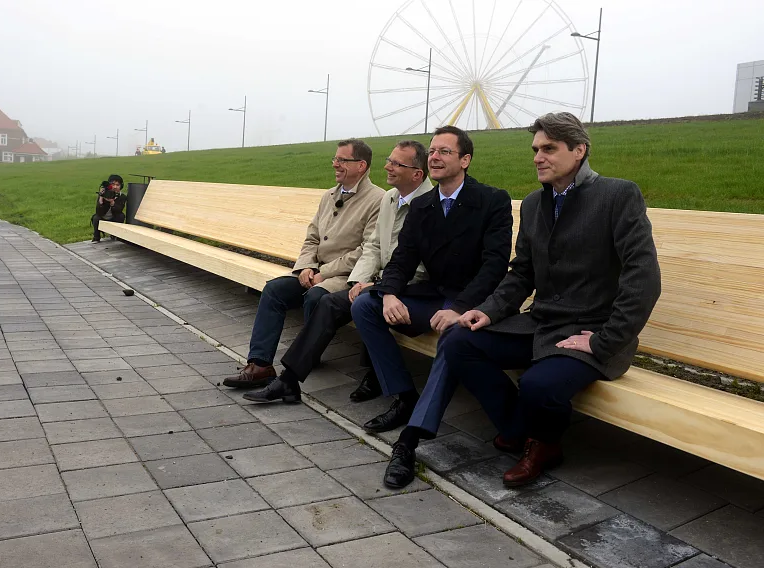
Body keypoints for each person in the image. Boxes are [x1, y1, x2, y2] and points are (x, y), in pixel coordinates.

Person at [427, 112, 661, 489]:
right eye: (536, 149)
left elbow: (643, 278)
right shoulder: (535, 203)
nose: (538, 156)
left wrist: (604, 341)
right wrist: (486, 312)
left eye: (549, 148)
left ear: (579, 150)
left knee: (538, 384)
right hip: (540, 325)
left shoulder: (618, 195)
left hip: (590, 333)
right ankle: (520, 427)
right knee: (457, 342)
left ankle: (544, 444)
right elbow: (522, 273)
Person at [351, 125, 513, 445]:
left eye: (445, 151)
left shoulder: (491, 200)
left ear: (465, 160)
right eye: (433, 151)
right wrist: (389, 293)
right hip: (432, 297)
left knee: (455, 334)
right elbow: (402, 259)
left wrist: (458, 308)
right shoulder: (423, 205)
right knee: (365, 305)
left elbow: (494, 267)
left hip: (469, 301)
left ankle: (414, 434)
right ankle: (403, 395)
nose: (435, 157)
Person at [243, 140, 433, 404]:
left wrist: (373, 284)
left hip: (396, 284)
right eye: (388, 160)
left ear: (416, 174)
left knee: (337, 301)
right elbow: (373, 246)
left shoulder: (416, 203)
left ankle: (373, 378)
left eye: (395, 163)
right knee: (277, 289)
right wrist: (313, 268)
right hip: (360, 277)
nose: (387, 166)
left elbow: (415, 263)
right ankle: (265, 367)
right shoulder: (389, 198)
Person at [223, 139, 385, 389]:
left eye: (342, 160)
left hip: (344, 276)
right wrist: (307, 266)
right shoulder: (329, 195)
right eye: (335, 159)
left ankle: (309, 354)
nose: (335, 164)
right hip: (314, 272)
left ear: (361, 165)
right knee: (274, 290)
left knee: (316, 297)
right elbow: (312, 237)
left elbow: (366, 251)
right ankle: (260, 365)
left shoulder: (377, 200)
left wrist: (324, 273)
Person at [91, 174, 126, 243]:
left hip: (114, 217)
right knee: (95, 217)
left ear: (121, 186)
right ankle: (96, 237)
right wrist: (101, 198)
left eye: (117, 185)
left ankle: (115, 235)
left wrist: (112, 202)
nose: (115, 187)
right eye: (113, 184)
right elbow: (98, 212)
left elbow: (119, 210)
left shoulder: (122, 196)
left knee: (121, 216)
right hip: (103, 216)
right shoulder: (104, 193)